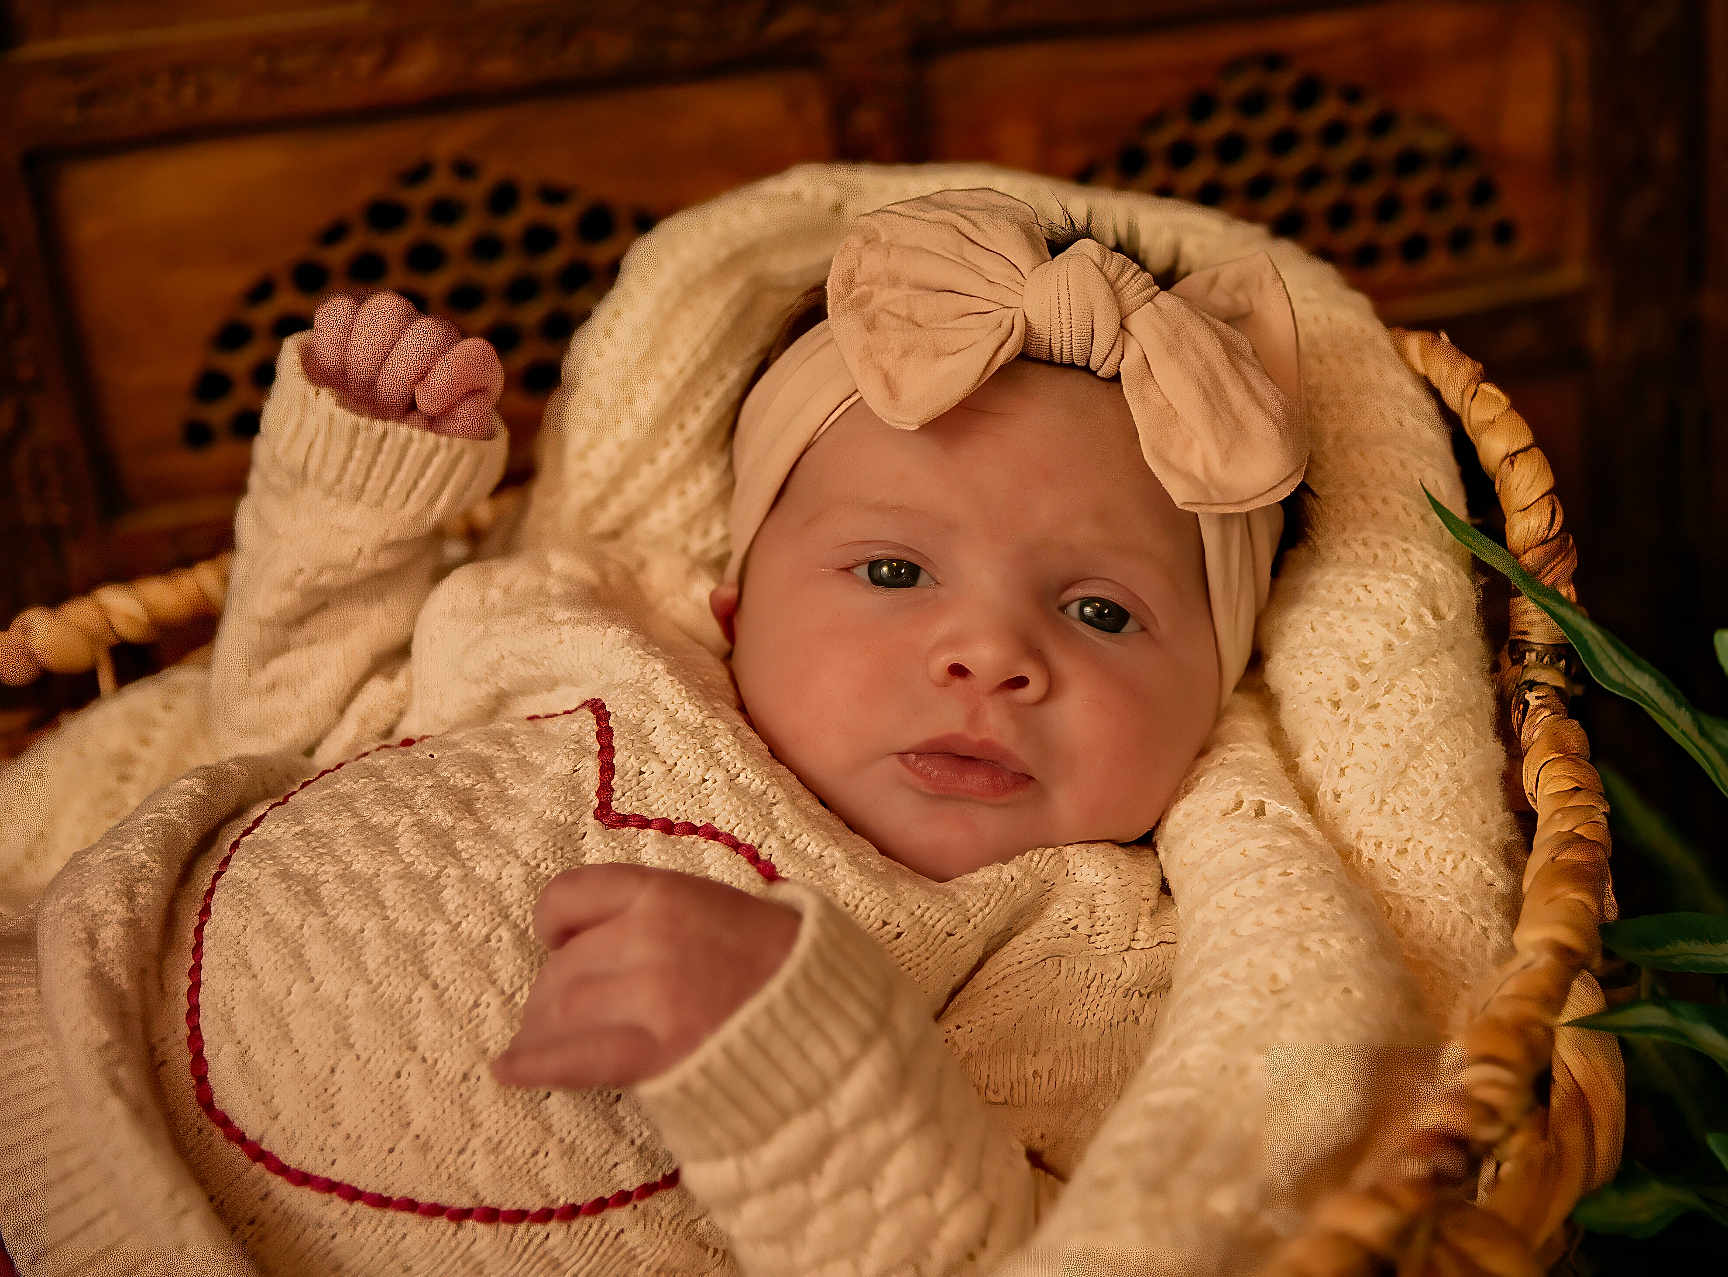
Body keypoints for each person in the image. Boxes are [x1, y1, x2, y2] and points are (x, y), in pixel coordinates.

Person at [0, 187, 1330, 1276]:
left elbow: (1021, 1250)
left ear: (1218, 699)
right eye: (891, 572)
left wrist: (808, 1052)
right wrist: (356, 494)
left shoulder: (1086, 941)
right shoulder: (592, 639)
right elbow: (295, 725)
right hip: (59, 1010)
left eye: (1101, 609)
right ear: (734, 607)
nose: (990, 653)